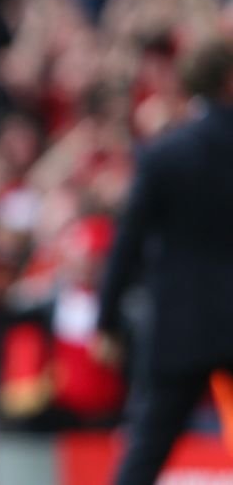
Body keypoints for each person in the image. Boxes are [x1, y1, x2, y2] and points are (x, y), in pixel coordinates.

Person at [94, 35, 233, 485]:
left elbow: (127, 244)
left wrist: (106, 320)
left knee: (144, 456)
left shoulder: (164, 154)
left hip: (180, 324)